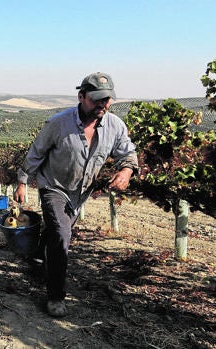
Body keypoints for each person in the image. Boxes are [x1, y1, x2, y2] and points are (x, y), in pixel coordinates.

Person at [13, 72, 138, 317]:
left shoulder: (115, 125)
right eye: (97, 99)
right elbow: (36, 152)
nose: (104, 104)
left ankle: (39, 257)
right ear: (81, 97)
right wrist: (22, 181)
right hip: (54, 186)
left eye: (108, 100)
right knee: (61, 235)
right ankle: (55, 296)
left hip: (80, 194)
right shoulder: (58, 123)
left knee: (55, 233)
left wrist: (126, 171)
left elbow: (127, 154)